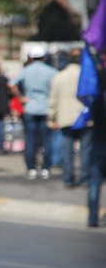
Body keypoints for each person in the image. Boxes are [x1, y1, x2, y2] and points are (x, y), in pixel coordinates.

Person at [9, 46, 57, 180]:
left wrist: (20, 98)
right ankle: (46, 168)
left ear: (30, 58)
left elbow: (11, 84)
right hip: (46, 108)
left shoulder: (26, 70)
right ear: (44, 57)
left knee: (30, 140)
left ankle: (31, 168)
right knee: (47, 140)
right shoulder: (51, 71)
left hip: (30, 107)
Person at [48, 48, 92, 188]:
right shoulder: (88, 75)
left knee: (67, 150)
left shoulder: (59, 76)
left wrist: (52, 118)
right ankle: (85, 178)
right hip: (85, 117)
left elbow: (53, 99)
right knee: (85, 149)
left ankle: (68, 178)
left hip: (66, 117)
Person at [87, 53, 106, 227]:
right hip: (100, 142)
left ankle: (92, 217)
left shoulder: (97, 100)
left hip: (99, 142)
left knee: (95, 181)